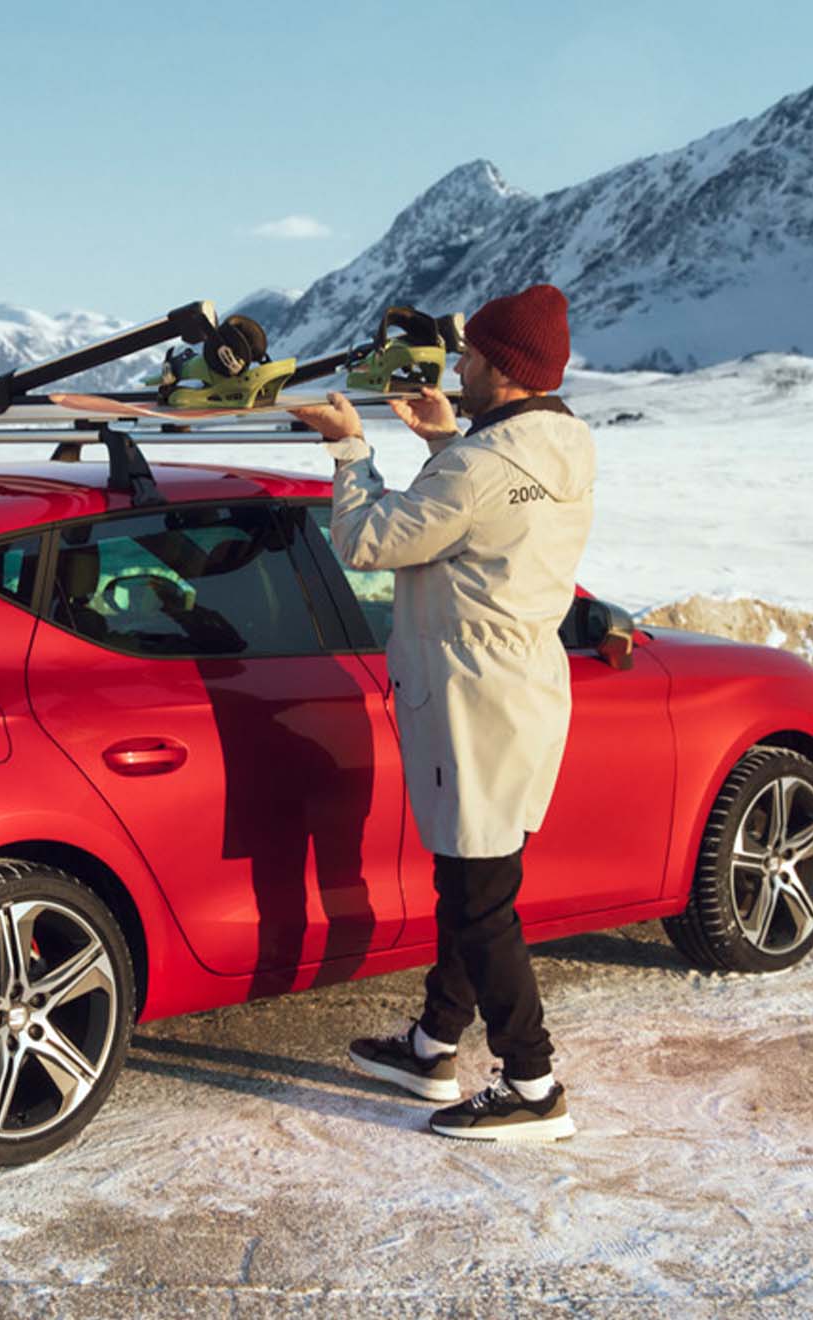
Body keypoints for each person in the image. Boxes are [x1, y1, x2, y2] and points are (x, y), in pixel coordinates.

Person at [287, 284, 597, 1142]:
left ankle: (532, 1086)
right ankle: (431, 1045)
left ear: (502, 367)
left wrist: (352, 453)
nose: (455, 369)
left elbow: (368, 542)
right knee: (476, 879)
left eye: (469, 359)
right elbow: (491, 500)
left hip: (473, 697)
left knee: (479, 896)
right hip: (523, 690)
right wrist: (445, 439)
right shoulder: (561, 445)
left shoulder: (480, 466)